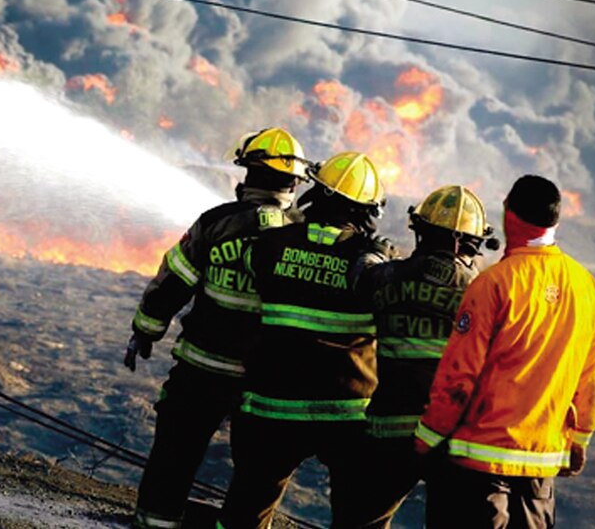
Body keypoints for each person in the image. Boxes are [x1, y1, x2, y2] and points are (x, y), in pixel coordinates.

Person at [126, 128, 311, 529]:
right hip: (265, 381)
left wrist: (145, 330)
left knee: (175, 453)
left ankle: (154, 524)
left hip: (201, 368)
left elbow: (173, 280)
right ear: (295, 183)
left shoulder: (216, 223)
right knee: (256, 476)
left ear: (245, 175)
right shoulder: (303, 237)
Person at [414, 175, 595, 529]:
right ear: (555, 221)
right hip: (541, 470)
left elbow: (459, 377)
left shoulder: (492, 284)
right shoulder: (586, 287)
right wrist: (580, 440)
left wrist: (427, 439)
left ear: (508, 215)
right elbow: (590, 378)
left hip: (476, 471)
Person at [216, 151, 393, 529]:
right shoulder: (373, 265)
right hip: (346, 413)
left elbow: (251, 266)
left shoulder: (270, 245)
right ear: (368, 211)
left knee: (245, 510)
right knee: (357, 517)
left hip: (272, 406)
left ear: (317, 191)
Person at [343, 185, 499, 528]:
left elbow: (359, 280)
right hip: (452, 440)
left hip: (388, 431)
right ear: (467, 244)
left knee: (362, 521)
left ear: (420, 232)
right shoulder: (482, 290)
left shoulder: (386, 277)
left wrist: (375, 254)